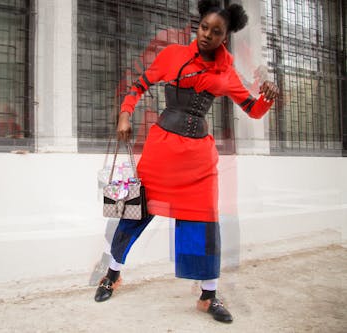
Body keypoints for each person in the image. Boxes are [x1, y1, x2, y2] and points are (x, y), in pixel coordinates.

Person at [93, 0, 279, 324]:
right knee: (133, 214)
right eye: (204, 27)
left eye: (216, 32)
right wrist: (125, 115)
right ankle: (112, 274)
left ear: (225, 37)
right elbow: (137, 86)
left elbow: (253, 109)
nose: (207, 34)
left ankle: (208, 296)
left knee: (205, 223)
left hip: (198, 160)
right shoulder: (172, 55)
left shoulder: (226, 72)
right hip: (161, 152)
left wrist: (267, 96)